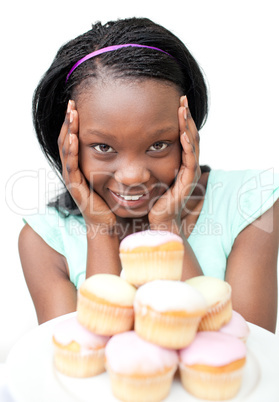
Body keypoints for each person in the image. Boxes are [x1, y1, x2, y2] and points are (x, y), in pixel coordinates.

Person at [19, 17, 279, 332]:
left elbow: (244, 355)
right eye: (103, 147)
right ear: (67, 143)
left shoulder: (250, 204)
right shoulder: (45, 241)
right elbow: (86, 366)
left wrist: (168, 227)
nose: (132, 176)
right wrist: (99, 229)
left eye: (158, 144)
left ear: (188, 131)